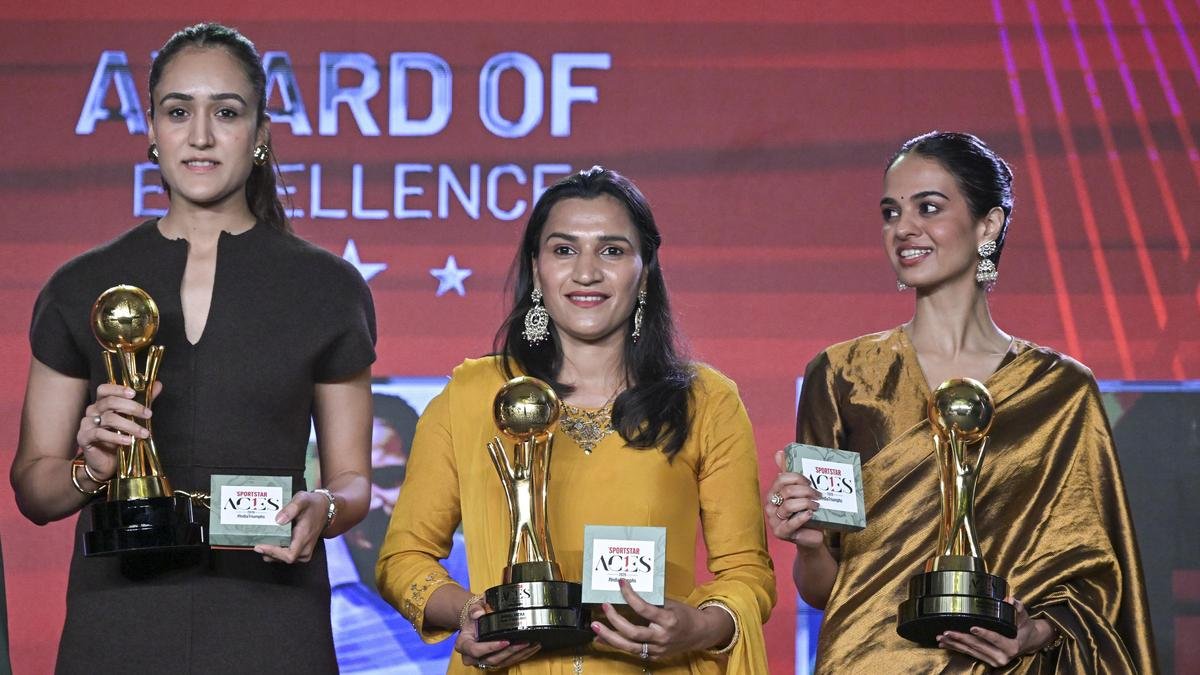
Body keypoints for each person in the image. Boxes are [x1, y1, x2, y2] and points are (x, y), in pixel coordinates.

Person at [9, 23, 374, 673]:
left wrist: (324, 507)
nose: (200, 135)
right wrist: (90, 468)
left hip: (272, 619)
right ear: (152, 129)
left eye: (226, 112)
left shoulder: (328, 288)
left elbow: (353, 481)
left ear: (260, 134)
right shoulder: (79, 286)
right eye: (178, 112)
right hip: (118, 622)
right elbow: (35, 488)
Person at [765, 131, 1156, 673]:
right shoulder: (842, 376)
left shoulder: (1059, 390)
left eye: (928, 207)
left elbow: (1097, 577)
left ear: (988, 225)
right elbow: (824, 589)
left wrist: (1033, 631)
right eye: (890, 212)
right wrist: (809, 545)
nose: (903, 228)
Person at [376, 167, 775, 673]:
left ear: (645, 270)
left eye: (612, 251)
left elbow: (747, 571)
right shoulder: (473, 396)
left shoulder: (705, 401)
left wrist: (699, 625)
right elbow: (403, 558)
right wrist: (470, 614)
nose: (586, 272)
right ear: (536, 267)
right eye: (564, 249)